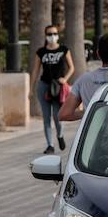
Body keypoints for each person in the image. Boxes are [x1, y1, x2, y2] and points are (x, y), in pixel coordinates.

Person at [62, 30, 108, 122]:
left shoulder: (84, 79)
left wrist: (90, 111)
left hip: (94, 135)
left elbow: (64, 114)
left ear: (98, 53)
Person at [31, 24, 75, 155]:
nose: (52, 36)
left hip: (58, 87)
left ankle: (60, 135)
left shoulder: (64, 50)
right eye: (49, 34)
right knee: (46, 117)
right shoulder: (41, 52)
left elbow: (72, 67)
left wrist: (65, 79)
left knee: (58, 116)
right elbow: (35, 71)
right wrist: (31, 89)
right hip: (44, 86)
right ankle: (50, 145)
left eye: (54, 33)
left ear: (58, 35)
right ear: (46, 36)